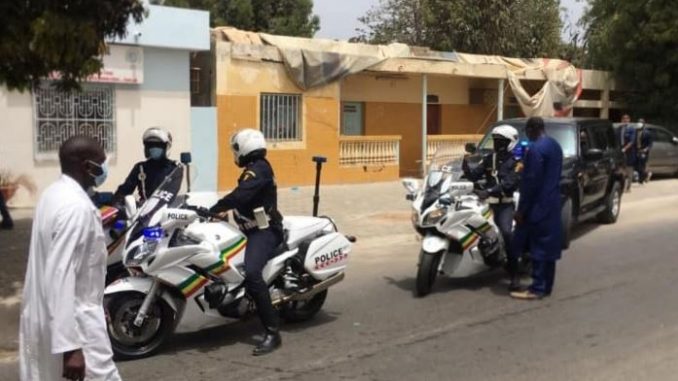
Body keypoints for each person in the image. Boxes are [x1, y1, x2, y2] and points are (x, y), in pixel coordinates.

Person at [20, 136, 121, 381]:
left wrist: (97, 302)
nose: (104, 169)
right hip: (77, 327)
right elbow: (60, 275)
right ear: (87, 167)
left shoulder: (52, 194)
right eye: (101, 162)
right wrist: (70, 348)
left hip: (52, 316)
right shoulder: (76, 208)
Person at [209, 129, 284, 356]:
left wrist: (215, 208)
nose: (235, 154)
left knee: (252, 273)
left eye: (236, 149)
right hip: (248, 230)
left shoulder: (258, 169)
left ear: (245, 148)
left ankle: (272, 332)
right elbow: (243, 201)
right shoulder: (255, 169)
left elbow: (240, 196)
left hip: (265, 232)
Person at [510, 117, 564, 300]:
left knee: (538, 247)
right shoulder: (555, 145)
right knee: (548, 247)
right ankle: (547, 286)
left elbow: (530, 183)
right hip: (553, 202)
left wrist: (521, 210)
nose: (528, 135)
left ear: (533, 129)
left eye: (527, 131)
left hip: (538, 205)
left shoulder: (535, 150)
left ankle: (537, 288)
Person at [463, 125, 522, 291]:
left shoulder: (516, 163)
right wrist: (466, 164)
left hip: (504, 205)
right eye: (495, 141)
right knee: (468, 224)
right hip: (486, 203)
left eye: (500, 141)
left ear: (510, 143)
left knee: (507, 233)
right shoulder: (490, 158)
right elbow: (475, 175)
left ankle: (514, 275)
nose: (496, 144)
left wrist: (488, 191)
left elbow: (509, 184)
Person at [113, 127, 177, 204]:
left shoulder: (175, 168)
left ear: (167, 147)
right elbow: (124, 191)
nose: (154, 148)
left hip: (166, 212)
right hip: (143, 212)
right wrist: (118, 202)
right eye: (150, 145)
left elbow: (176, 193)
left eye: (158, 145)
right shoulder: (140, 168)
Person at [619, 114, 635, 192]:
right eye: (624, 119)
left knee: (629, 169)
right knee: (622, 169)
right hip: (620, 151)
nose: (625, 120)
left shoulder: (631, 129)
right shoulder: (619, 129)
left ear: (629, 120)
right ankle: (622, 186)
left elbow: (631, 142)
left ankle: (628, 187)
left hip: (629, 152)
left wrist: (625, 149)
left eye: (627, 119)